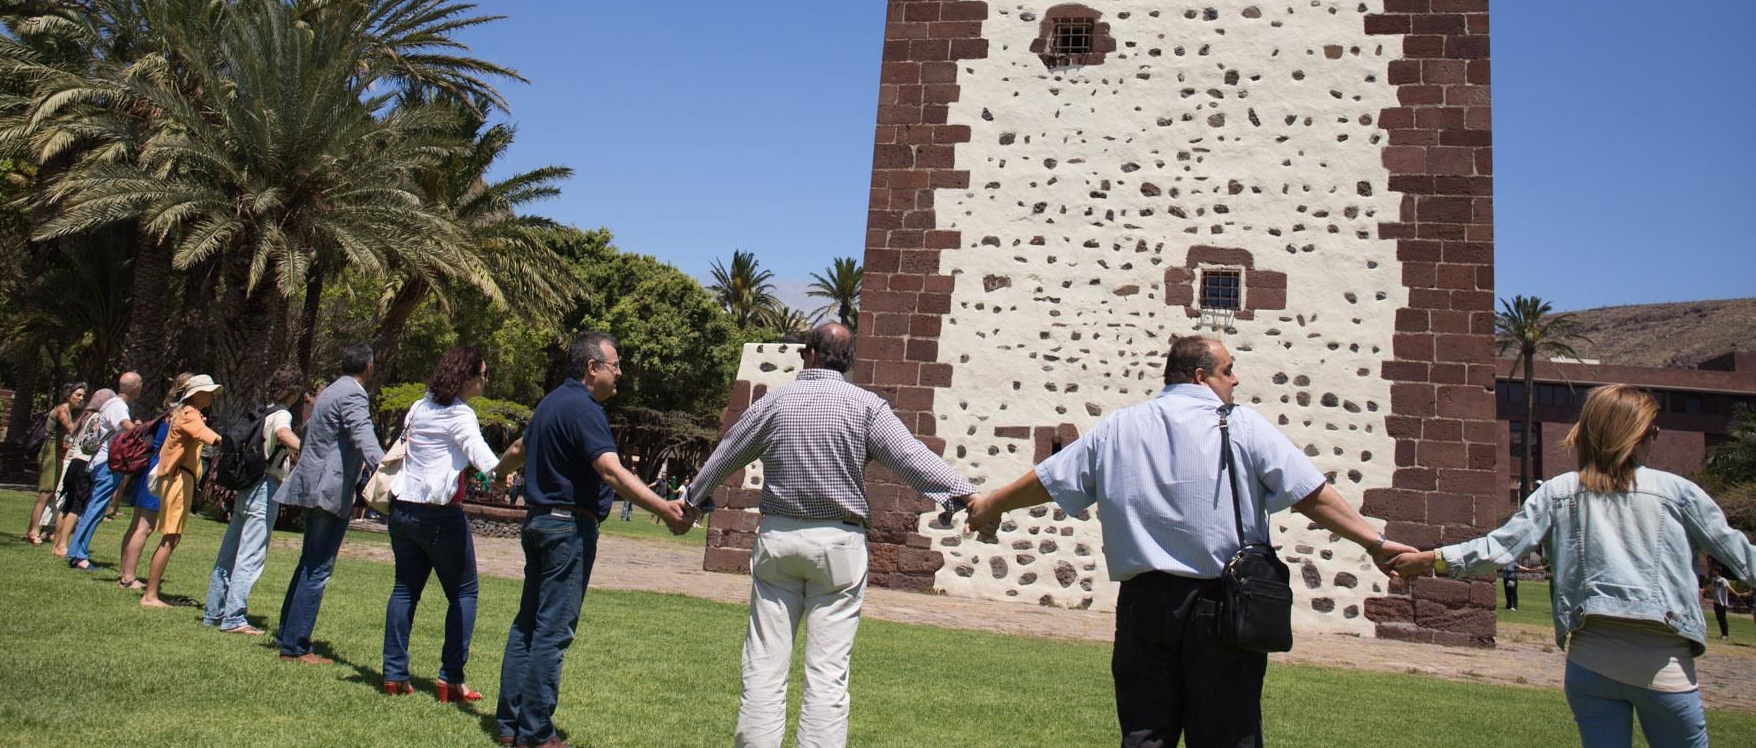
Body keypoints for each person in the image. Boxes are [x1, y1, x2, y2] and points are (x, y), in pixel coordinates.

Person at [967, 335, 1410, 748]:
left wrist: (991, 506)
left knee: (1144, 735)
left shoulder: (1119, 426)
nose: (1235, 379)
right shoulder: (1243, 426)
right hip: (1223, 604)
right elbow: (1310, 494)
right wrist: (1374, 542)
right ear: (1201, 376)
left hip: (1143, 604)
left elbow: (1047, 480)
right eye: (1228, 370)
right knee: (1227, 736)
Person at [1394, 384, 1756, 748]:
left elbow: (1499, 547)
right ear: (1638, 435)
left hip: (1589, 665)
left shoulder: (1558, 491)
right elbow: (1740, 556)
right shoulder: (1678, 493)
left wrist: (1429, 559)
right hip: (1664, 667)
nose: (1655, 438)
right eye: (1654, 431)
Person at [680, 322, 978, 748]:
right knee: (827, 674)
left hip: (779, 540)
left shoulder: (775, 402)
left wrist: (692, 500)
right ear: (849, 362)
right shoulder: (867, 407)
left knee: (764, 665)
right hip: (839, 544)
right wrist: (965, 493)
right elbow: (911, 458)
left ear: (810, 355)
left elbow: (729, 451)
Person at [495, 332, 687, 748]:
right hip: (568, 529)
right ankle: (537, 732)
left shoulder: (549, 404)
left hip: (539, 524)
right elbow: (612, 472)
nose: (620, 373)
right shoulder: (585, 411)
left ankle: (509, 726)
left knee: (526, 624)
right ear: (591, 368)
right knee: (552, 630)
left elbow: (516, 448)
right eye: (614, 365)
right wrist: (665, 507)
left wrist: (496, 473)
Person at [382, 345, 525, 701]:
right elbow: (484, 459)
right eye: (482, 375)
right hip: (439, 514)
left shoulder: (420, 406)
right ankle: (451, 679)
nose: (485, 381)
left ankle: (394, 674)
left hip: (402, 509)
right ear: (466, 377)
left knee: (404, 590)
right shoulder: (460, 415)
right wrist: (504, 474)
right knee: (464, 592)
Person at [273, 341, 386, 662]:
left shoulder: (330, 391)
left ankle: (287, 633)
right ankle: (295, 646)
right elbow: (363, 434)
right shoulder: (353, 394)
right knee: (318, 568)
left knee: (308, 562)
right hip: (330, 489)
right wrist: (388, 469)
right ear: (369, 367)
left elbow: (308, 431)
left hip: (312, 483)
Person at [202, 366, 304, 633]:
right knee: (251, 553)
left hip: (246, 485)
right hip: (265, 485)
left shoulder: (263, 409)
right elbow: (283, 433)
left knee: (230, 551)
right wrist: (305, 449)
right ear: (292, 391)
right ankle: (234, 617)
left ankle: (214, 611)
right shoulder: (281, 413)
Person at [139, 374, 223, 607]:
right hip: (178, 478)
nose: (211, 396)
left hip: (181, 478)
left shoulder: (188, 413)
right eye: (208, 391)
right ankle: (150, 595)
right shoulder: (190, 414)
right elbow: (208, 437)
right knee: (170, 537)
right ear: (197, 394)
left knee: (172, 537)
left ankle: (151, 593)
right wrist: (231, 442)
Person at [117, 372, 194, 590]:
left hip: (149, 467)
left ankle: (124, 572)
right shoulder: (180, 414)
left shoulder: (169, 411)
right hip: (159, 470)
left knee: (136, 524)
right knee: (145, 526)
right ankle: (129, 576)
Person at [66, 371, 143, 570]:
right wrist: (140, 428)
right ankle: (78, 554)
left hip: (100, 462)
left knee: (94, 507)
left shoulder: (111, 403)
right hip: (108, 464)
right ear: (135, 387)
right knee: (95, 508)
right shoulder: (118, 406)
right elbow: (125, 426)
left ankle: (76, 550)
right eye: (140, 384)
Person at [50, 387, 113, 558]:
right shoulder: (98, 418)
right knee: (77, 506)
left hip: (73, 462)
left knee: (66, 504)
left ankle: (56, 543)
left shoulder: (84, 416)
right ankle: (63, 544)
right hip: (85, 463)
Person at [25, 381, 85, 544]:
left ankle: (31, 529)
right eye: (78, 395)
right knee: (46, 492)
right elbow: (69, 427)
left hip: (57, 451)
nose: (80, 398)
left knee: (50, 492)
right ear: (68, 395)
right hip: (49, 451)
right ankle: (33, 531)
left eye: (82, 396)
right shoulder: (62, 410)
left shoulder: (69, 411)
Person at [1710, 571, 1732, 641]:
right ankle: (1722, 634)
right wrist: (1703, 590)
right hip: (1716, 602)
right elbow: (1710, 586)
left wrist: (1736, 593)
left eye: (1714, 571)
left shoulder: (1723, 580)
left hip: (1722, 603)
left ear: (1718, 572)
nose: (1713, 572)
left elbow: (1729, 587)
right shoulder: (1714, 580)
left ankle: (1726, 635)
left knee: (1723, 618)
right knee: (1719, 619)